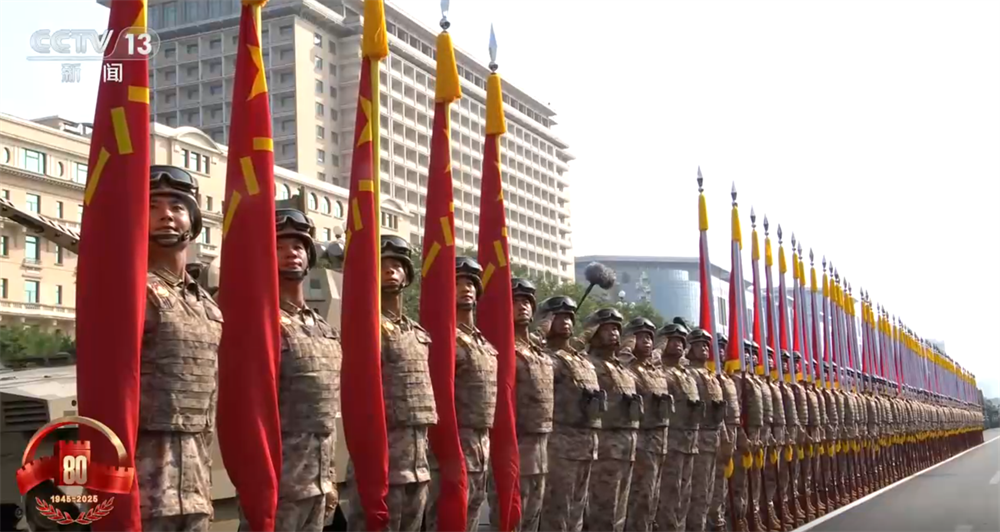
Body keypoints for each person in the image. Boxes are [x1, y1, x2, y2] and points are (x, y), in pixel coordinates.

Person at [239, 208, 340, 532]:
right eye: (279, 247)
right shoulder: (259, 324)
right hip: (278, 481)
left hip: (319, 479)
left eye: (298, 246)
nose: (290, 253)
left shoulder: (323, 329)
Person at [139, 166, 221, 532]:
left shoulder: (207, 305)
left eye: (177, 206)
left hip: (196, 485)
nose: (166, 214)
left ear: (194, 220)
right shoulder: (131, 290)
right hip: (144, 487)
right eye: (153, 205)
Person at [343, 235, 437, 532]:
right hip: (381, 459)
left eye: (397, 265)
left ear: (407, 276)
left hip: (417, 461)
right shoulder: (364, 326)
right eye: (382, 265)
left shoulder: (418, 333)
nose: (390, 271)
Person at [426, 257, 497, 532]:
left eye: (470, 283)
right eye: (457, 283)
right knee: (446, 519)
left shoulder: (484, 342)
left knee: (471, 517)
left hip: (481, 443)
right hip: (452, 442)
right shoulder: (441, 339)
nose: (465, 288)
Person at [488, 278, 553, 532]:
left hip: (541, 446)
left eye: (526, 301)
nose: (522, 306)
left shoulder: (538, 350)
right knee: (509, 518)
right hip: (513, 442)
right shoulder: (498, 347)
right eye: (514, 302)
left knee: (532, 517)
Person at [538, 296, 602, 532]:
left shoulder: (580, 360)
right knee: (557, 512)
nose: (565, 322)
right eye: (558, 316)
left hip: (586, 444)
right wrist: (539, 335)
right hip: (560, 445)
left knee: (577, 513)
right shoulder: (545, 357)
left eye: (569, 317)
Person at [583, 308, 639, 532]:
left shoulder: (622, 367)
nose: (614, 333)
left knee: (619, 513)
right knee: (601, 512)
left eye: (617, 328)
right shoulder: (587, 364)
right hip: (604, 448)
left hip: (627, 447)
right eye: (607, 328)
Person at [622, 317, 672, 532]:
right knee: (638, 499)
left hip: (660, 442)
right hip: (640, 443)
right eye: (640, 336)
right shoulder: (627, 367)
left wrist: (659, 350)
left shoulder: (654, 370)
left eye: (649, 337)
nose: (646, 341)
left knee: (654, 497)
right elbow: (620, 365)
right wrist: (626, 347)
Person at [655, 321, 702, 532]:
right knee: (668, 495)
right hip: (671, 442)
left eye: (681, 341)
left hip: (689, 442)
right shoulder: (658, 371)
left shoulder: (687, 374)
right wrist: (657, 348)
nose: (678, 345)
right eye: (672, 341)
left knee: (685, 494)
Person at [683, 328, 725, 532]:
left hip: (713, 440)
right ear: (689, 349)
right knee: (697, 493)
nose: (705, 348)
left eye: (706, 345)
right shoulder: (687, 374)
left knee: (710, 491)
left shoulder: (710, 375)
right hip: (697, 441)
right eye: (699, 345)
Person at [707, 334, 740, 532]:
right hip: (715, 436)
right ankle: (716, 524)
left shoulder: (729, 378)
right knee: (715, 485)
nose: (720, 352)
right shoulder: (709, 377)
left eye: (723, 348)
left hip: (733, 435)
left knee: (729, 484)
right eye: (716, 348)